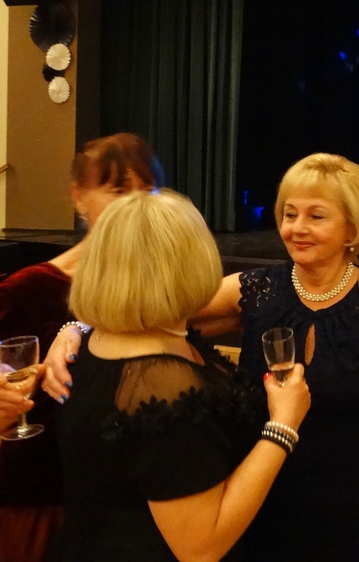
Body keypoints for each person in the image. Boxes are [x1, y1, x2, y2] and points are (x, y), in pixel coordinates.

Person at [45, 153, 359, 561]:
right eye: (290, 214)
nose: (296, 228)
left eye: (316, 216)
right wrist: (76, 328)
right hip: (261, 501)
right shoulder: (258, 290)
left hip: (358, 509)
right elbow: (150, 307)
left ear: (353, 228)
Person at [54, 189, 311, 561]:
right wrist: (284, 426)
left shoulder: (104, 336)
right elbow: (200, 549)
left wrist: (73, 327)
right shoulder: (160, 384)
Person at [0, 133, 162, 562]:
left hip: (129, 505)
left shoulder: (161, 292)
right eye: (119, 190)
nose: (135, 204)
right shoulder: (30, 289)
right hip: (43, 501)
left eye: (147, 189)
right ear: (78, 198)